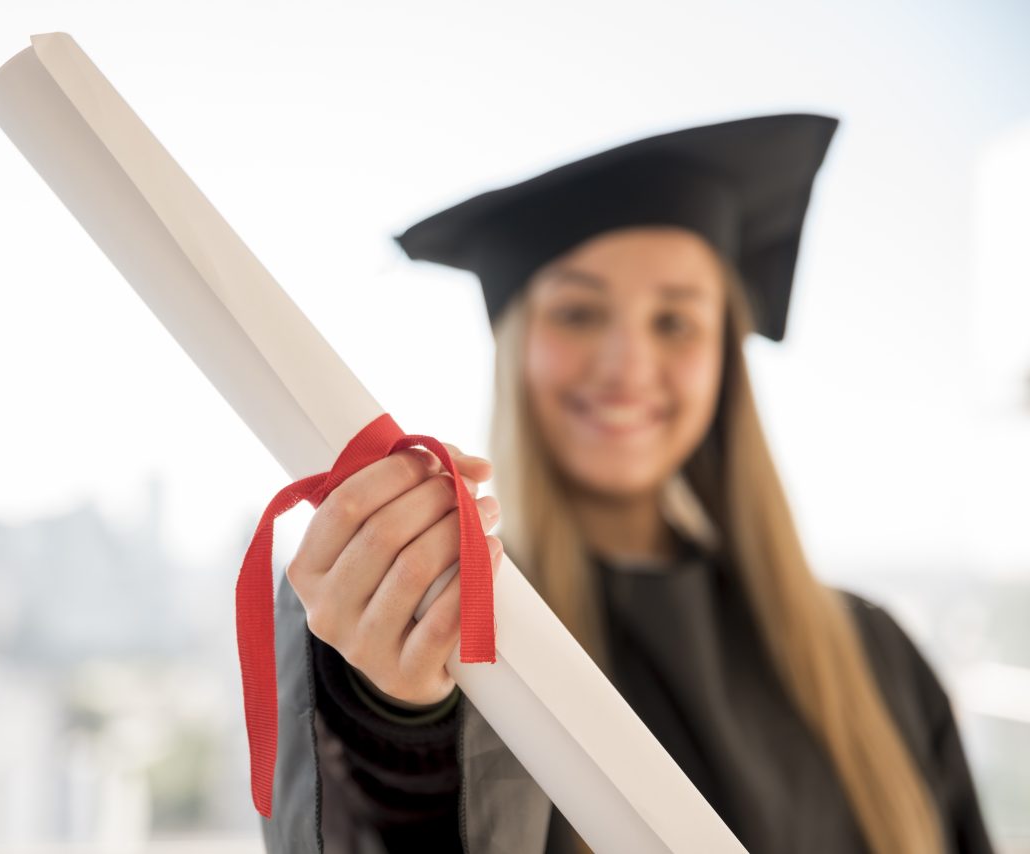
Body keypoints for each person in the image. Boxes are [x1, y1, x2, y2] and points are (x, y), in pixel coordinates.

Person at [257, 114, 995, 854]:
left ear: (723, 360)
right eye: (578, 312)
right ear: (515, 348)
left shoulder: (874, 658)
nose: (627, 365)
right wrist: (396, 720)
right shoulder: (441, 616)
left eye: (675, 321)